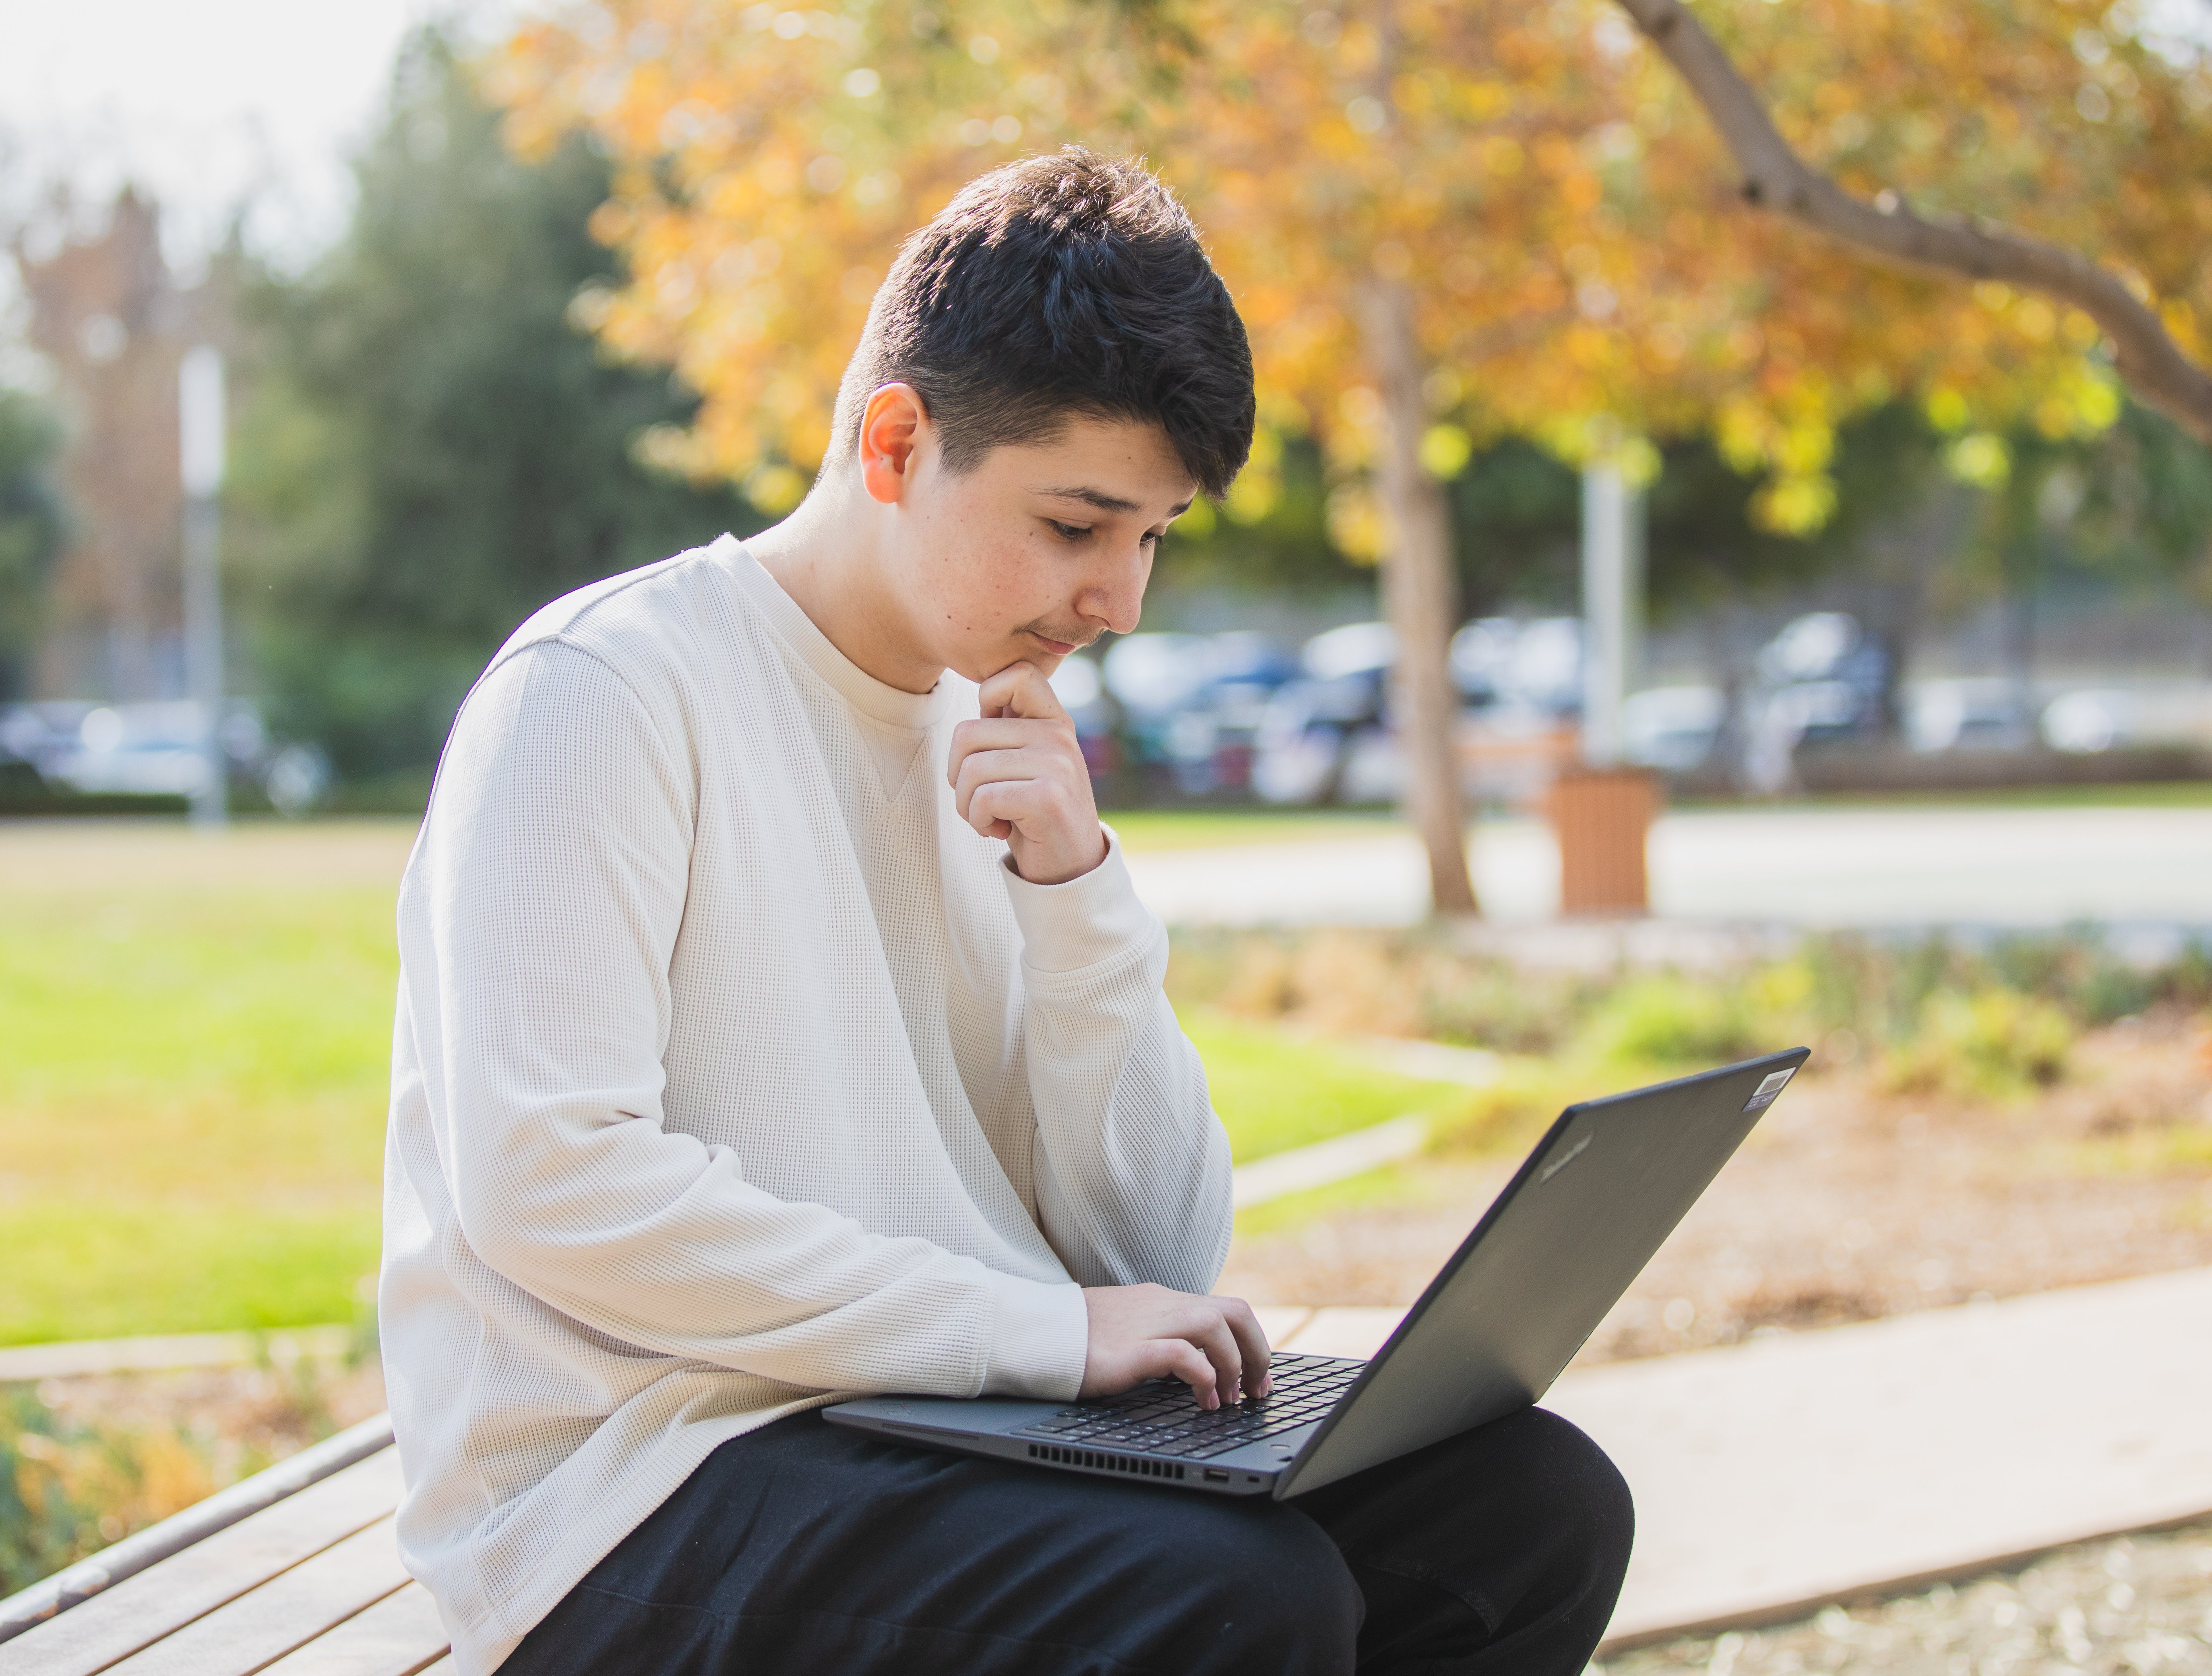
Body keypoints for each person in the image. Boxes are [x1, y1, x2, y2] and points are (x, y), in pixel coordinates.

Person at [379, 147, 1632, 1676]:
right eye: (1077, 525)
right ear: (895, 443)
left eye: (1153, 536)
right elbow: (550, 1185)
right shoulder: (604, 693)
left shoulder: (999, 750)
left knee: (1532, 1508)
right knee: (1233, 1597)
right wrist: (1035, 1338)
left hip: (947, 1426)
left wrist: (1077, 899)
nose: (1123, 599)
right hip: (633, 1493)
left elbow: (1159, 1253)